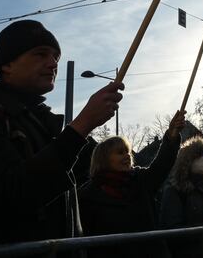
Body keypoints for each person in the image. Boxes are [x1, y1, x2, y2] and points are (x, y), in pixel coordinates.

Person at [0, 20, 123, 249]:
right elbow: (12, 191)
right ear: (7, 65)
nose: (53, 63)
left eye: (56, 57)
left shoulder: (42, 124)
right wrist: (82, 125)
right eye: (40, 54)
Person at [79, 110, 185, 258]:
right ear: (103, 159)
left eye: (128, 151)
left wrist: (171, 136)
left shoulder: (141, 180)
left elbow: (162, 164)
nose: (127, 155)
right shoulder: (88, 194)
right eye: (120, 152)